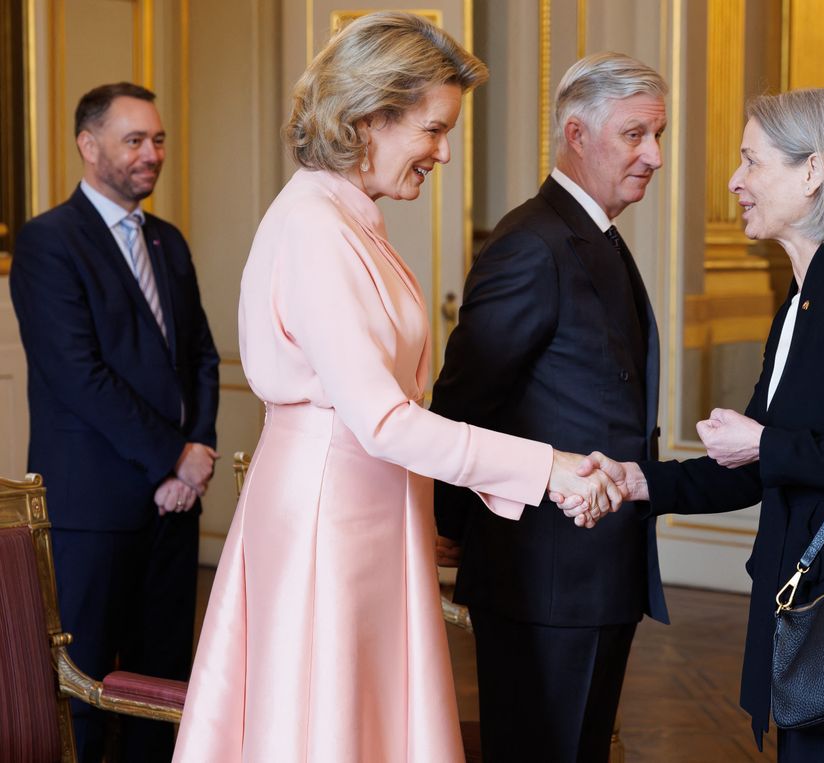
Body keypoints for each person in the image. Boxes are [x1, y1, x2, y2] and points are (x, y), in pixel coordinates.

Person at [171, 13, 619, 763]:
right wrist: (547, 469)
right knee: (328, 725)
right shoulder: (316, 226)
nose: (443, 152)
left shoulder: (354, 219)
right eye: (432, 129)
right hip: (329, 515)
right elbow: (383, 419)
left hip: (368, 508)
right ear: (369, 117)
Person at [568, 88, 824, 761]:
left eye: (751, 162)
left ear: (813, 172)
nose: (734, 181)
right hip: (816, 616)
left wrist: (767, 442)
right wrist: (639, 480)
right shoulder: (801, 298)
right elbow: (755, 464)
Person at [430, 52, 668, 762]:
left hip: (592, 569)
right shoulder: (532, 244)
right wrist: (449, 523)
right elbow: (464, 398)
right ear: (576, 133)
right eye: (635, 135)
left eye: (657, 135)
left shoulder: (592, 235)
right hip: (545, 578)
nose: (654, 155)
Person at [10, 82, 220, 762]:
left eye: (158, 139)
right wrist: (173, 459)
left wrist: (201, 448)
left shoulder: (169, 241)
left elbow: (202, 358)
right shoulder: (48, 243)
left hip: (174, 507)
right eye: (135, 140)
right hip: (93, 509)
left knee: (164, 691)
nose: (152, 153)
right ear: (88, 144)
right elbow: (81, 378)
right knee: (87, 694)